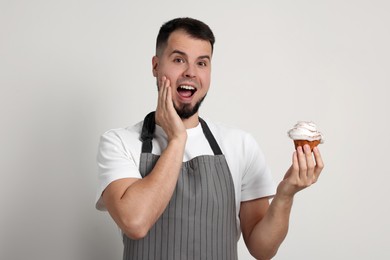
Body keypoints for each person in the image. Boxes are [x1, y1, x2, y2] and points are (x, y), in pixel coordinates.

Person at [95, 17, 324, 260]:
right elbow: (135, 222)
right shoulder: (119, 142)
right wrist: (176, 140)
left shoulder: (240, 145)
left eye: (202, 63)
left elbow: (262, 249)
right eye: (178, 60)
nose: (191, 72)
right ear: (155, 66)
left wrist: (285, 195)